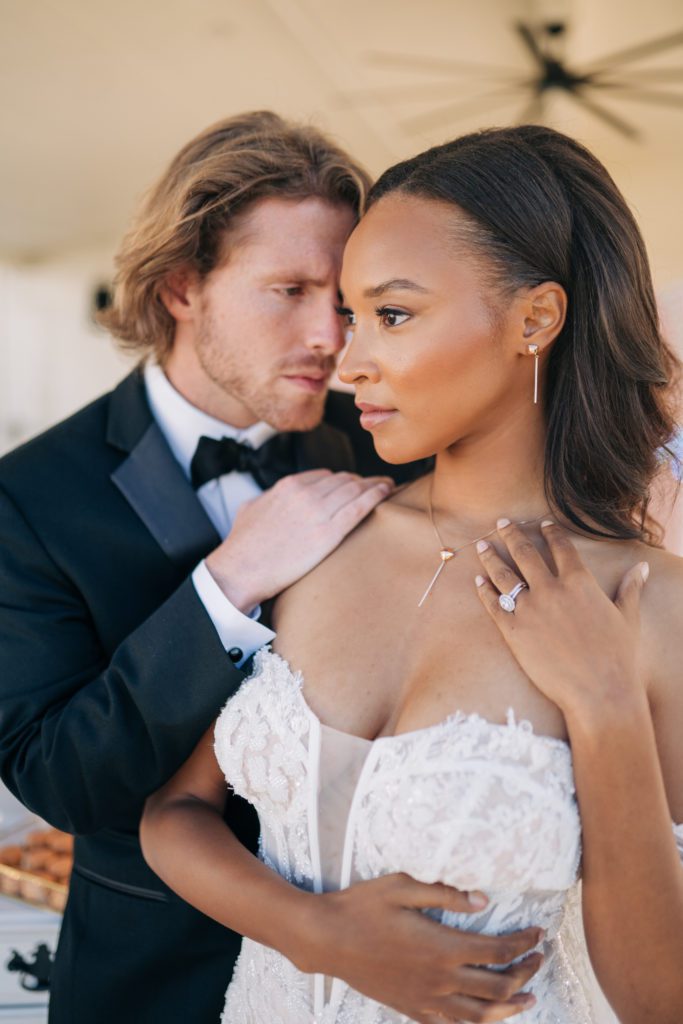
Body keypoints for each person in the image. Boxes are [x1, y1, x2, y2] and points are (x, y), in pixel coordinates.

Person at [0, 111, 537, 1024]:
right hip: (152, 980)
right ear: (181, 287)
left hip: (381, 984)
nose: (332, 337)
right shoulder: (29, 497)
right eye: (288, 290)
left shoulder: (390, 454)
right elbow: (57, 777)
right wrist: (226, 584)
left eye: (350, 300)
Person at [141, 124, 683, 1024]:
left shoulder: (648, 604)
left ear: (534, 319)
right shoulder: (318, 532)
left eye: (391, 315)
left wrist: (604, 706)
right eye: (351, 316)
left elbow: (661, 1002)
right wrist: (317, 933)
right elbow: (174, 816)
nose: (346, 362)